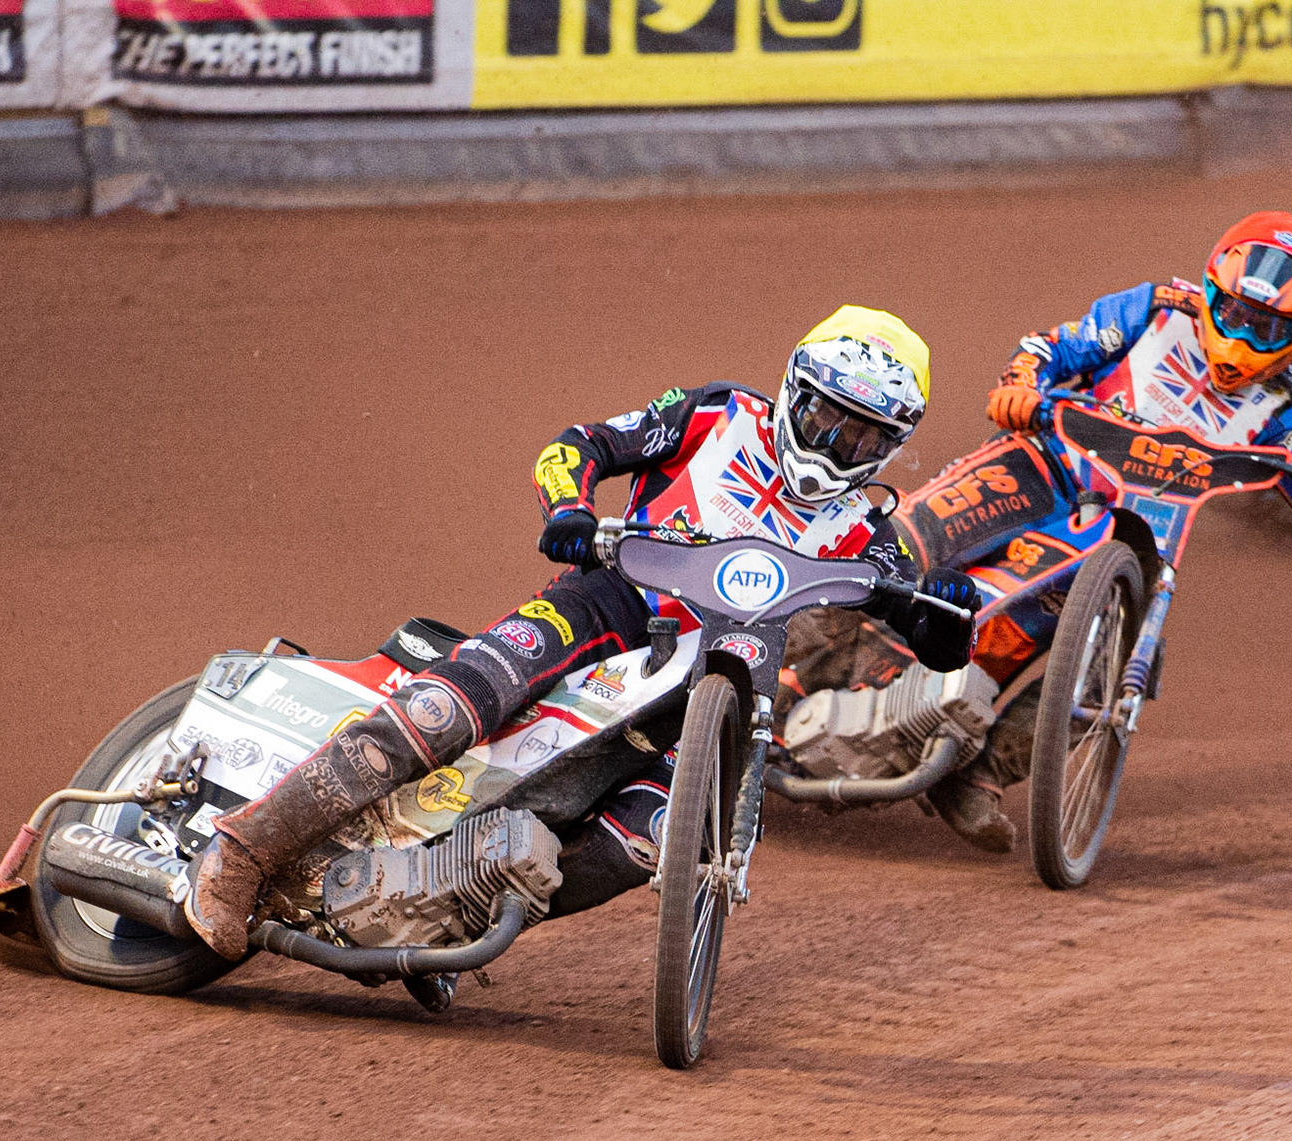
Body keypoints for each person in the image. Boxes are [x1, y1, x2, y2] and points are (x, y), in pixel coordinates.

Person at [184, 306, 980, 962]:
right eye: (825, 417)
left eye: (863, 438)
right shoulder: (718, 414)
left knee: (645, 843)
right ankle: (241, 852)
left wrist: (949, 606)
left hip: (724, 682)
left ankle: (445, 918)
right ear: (793, 390)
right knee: (444, 711)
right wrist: (567, 510)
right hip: (608, 604)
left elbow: (935, 636)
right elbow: (581, 445)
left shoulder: (867, 530)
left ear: (892, 446)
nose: (837, 445)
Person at [790, 213, 1292, 855]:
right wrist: (1021, 385)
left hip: (1130, 537)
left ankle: (976, 772)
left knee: (1108, 661)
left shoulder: (1288, 407)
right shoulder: (1155, 311)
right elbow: (1053, 347)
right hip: (1042, 466)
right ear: (1211, 291)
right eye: (1234, 314)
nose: (1243, 336)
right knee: (895, 547)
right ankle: (774, 660)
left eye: (1268, 328)